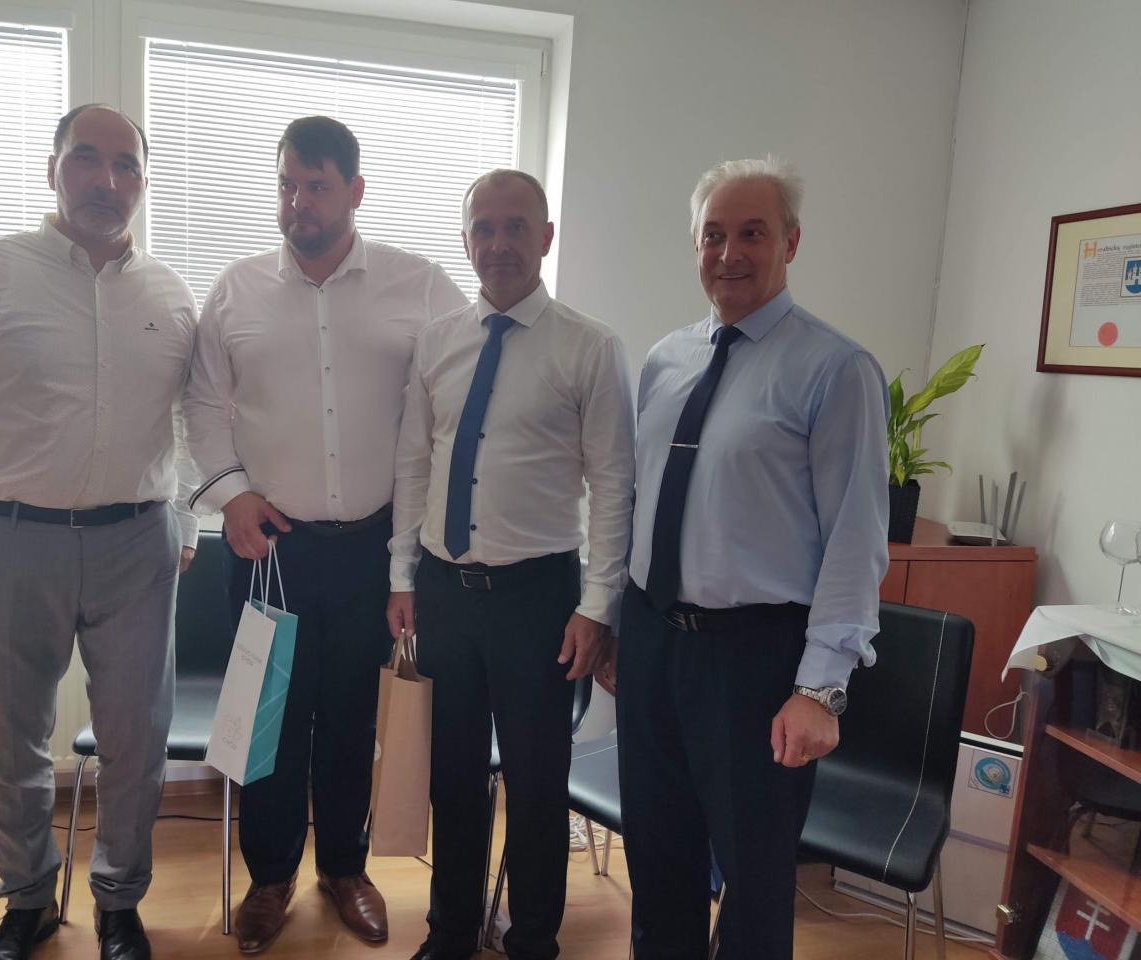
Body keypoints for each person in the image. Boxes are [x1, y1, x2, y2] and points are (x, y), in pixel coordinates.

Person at [0, 104, 200, 960]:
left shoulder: (170, 294)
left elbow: (194, 421)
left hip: (137, 545)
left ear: (142, 182)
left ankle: (119, 902)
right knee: (12, 735)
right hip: (7, 540)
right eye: (86, 159)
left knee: (137, 737)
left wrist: (185, 520)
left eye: (126, 165)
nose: (106, 180)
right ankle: (28, 902)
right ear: (53, 169)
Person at [183, 115, 466, 954]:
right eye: (286, 184)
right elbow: (202, 405)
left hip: (375, 550)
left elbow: (465, 386)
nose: (297, 202)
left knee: (348, 718)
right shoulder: (236, 290)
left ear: (355, 190)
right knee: (268, 719)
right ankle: (270, 879)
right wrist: (230, 494)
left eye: (316, 185)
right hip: (269, 549)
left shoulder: (419, 285)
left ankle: (344, 868)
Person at [600, 156, 890, 960]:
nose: (730, 253)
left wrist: (820, 690)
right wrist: (622, 626)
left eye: (752, 234)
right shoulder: (667, 359)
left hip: (754, 661)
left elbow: (856, 540)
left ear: (790, 242)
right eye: (713, 235)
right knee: (658, 860)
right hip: (654, 642)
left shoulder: (836, 370)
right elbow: (642, 504)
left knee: (754, 882)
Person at [387, 169, 635, 960]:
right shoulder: (437, 341)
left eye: (515, 227)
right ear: (466, 240)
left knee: (535, 785)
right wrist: (401, 576)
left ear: (546, 237)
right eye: (483, 228)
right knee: (453, 776)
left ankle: (532, 940)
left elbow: (614, 486)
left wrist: (598, 607)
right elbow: (414, 465)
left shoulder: (589, 346)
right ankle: (451, 930)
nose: (498, 244)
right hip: (444, 593)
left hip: (540, 600)